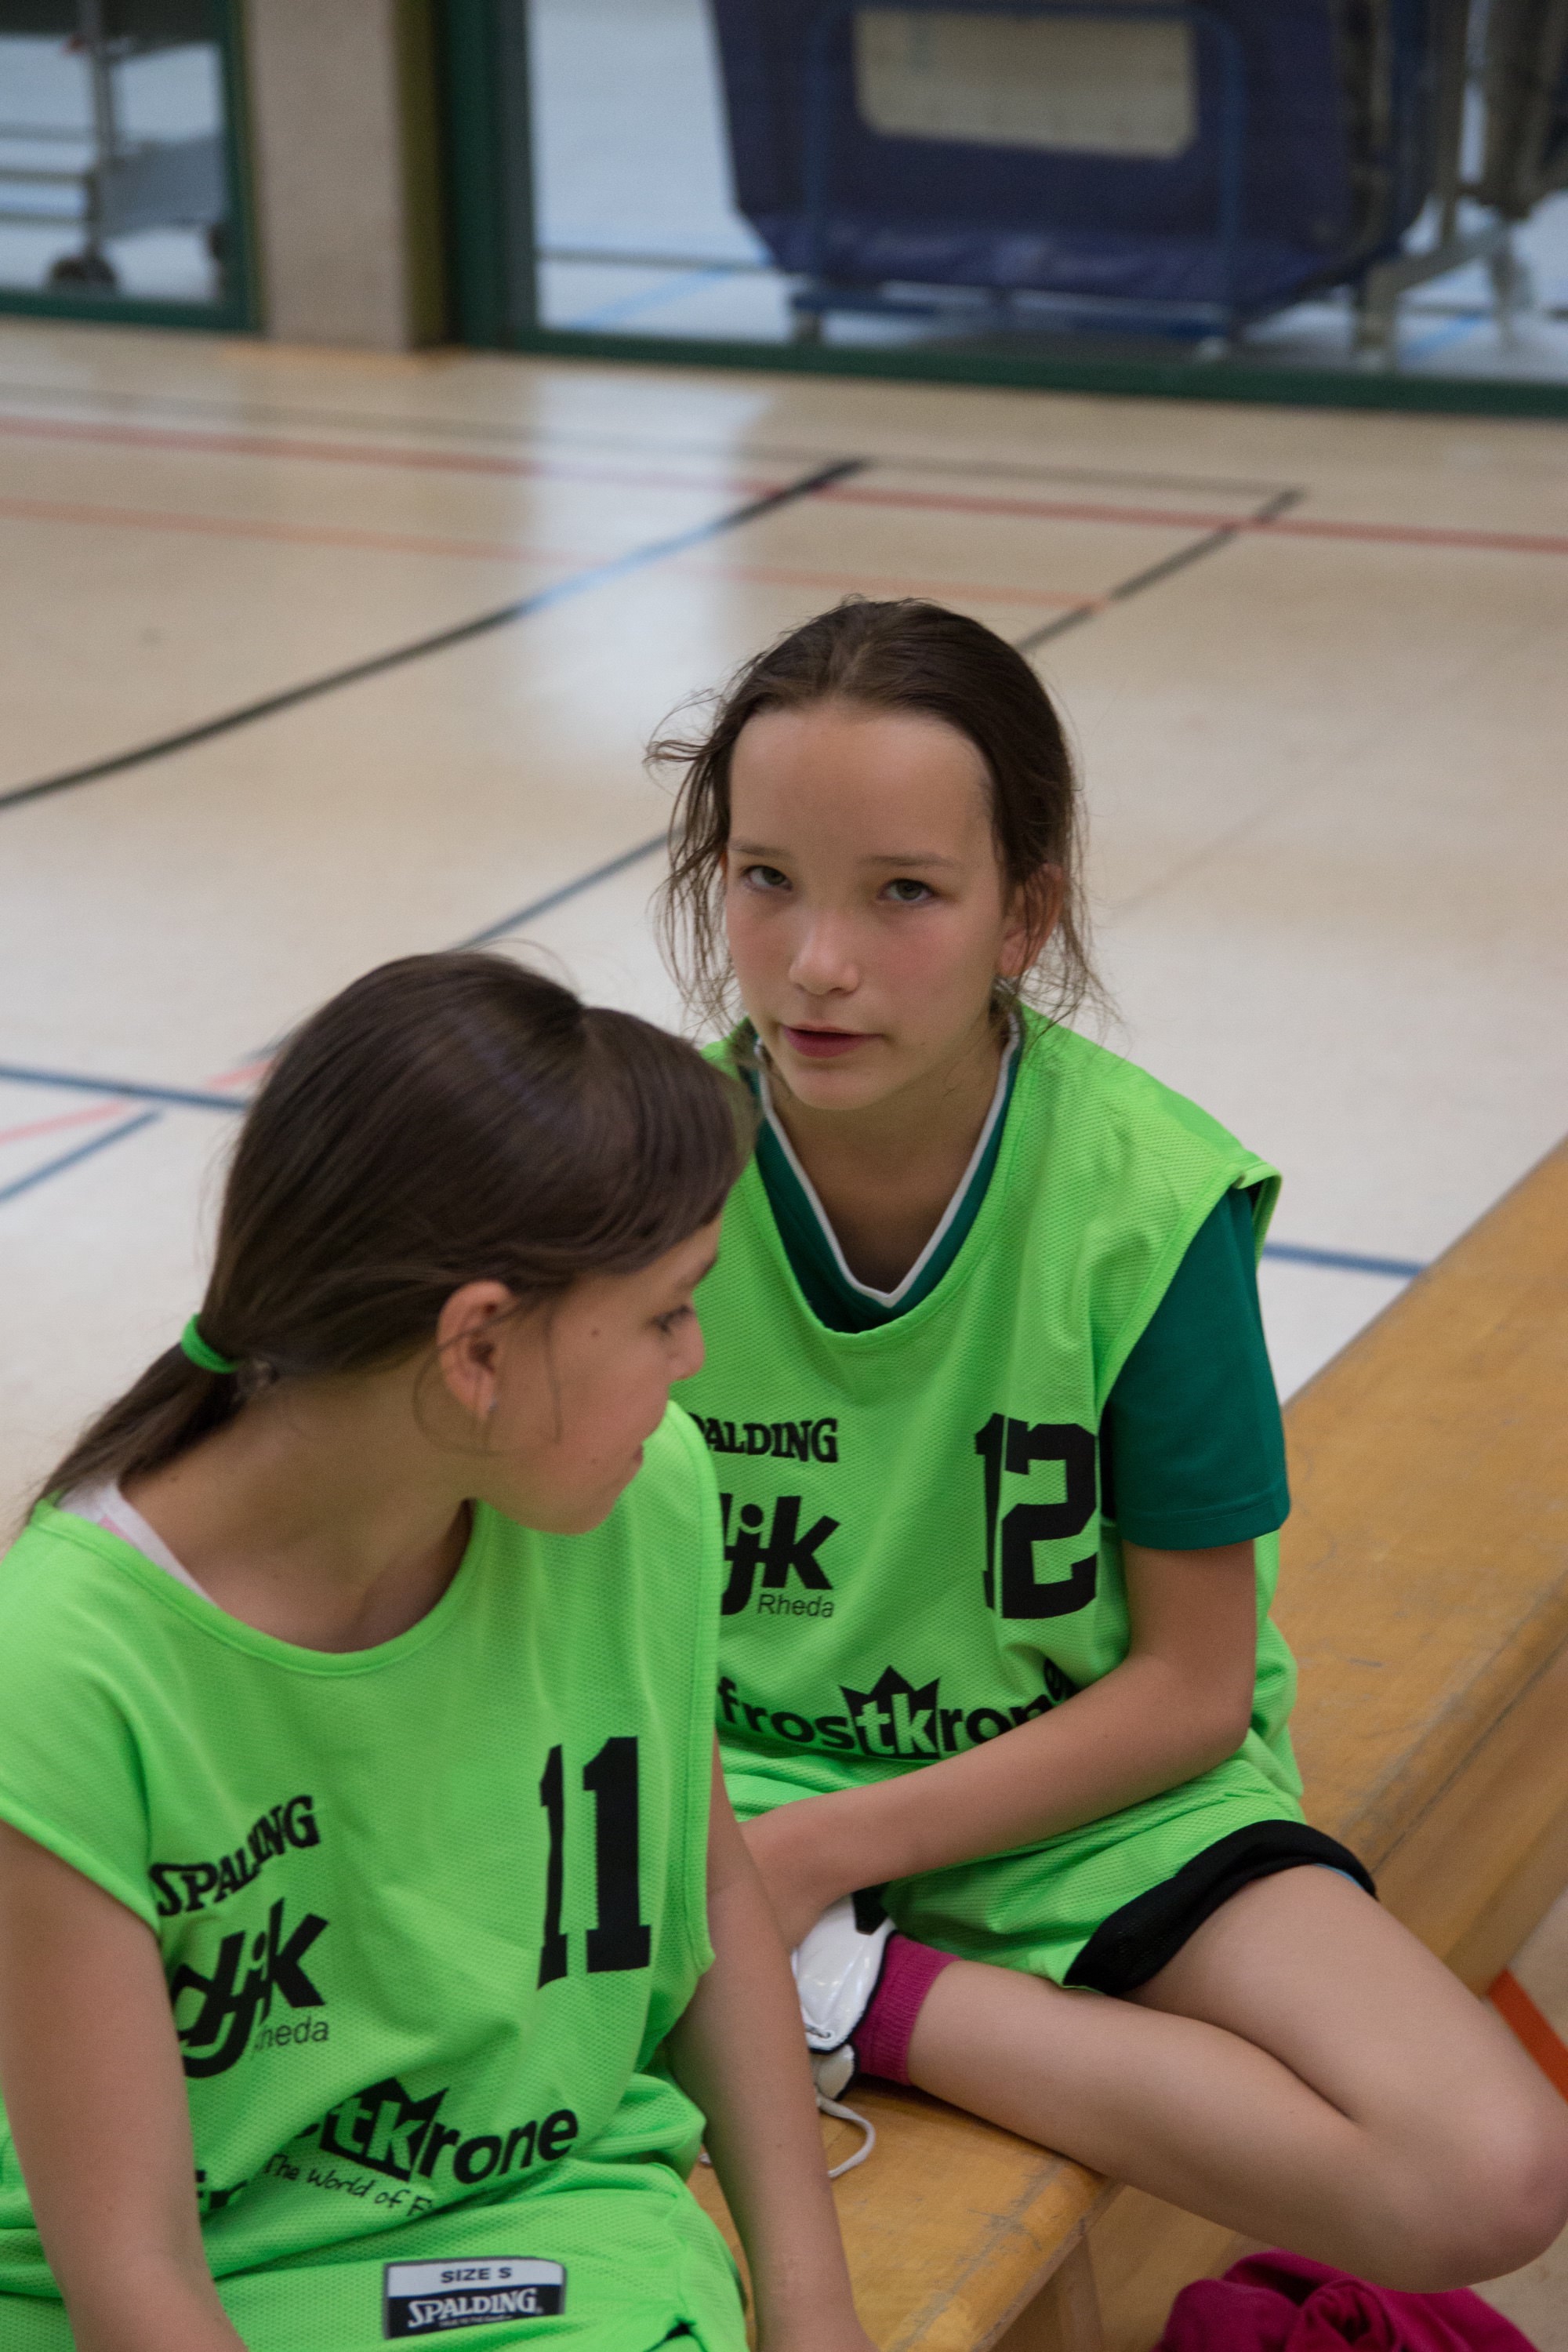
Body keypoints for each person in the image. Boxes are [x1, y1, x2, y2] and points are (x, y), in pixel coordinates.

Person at [654, 599, 1568, 2289]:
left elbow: (1190, 1691)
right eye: (767, 877)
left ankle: (859, 1997)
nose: (818, 961)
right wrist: (717, 1848)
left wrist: (826, 1876)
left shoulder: (1147, 1205)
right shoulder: (644, 1178)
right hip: (716, 1800)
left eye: (904, 893)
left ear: (1027, 914)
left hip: (1078, 1801)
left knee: (1488, 2173)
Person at [0, 953, 874, 2352]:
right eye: (666, 1310)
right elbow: (134, 2282)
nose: (695, 1356)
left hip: (543, 2233)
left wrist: (816, 2312)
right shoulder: (64, 1668)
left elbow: (705, 1896)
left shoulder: (642, 1493)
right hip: (181, 2288)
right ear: (478, 1349)